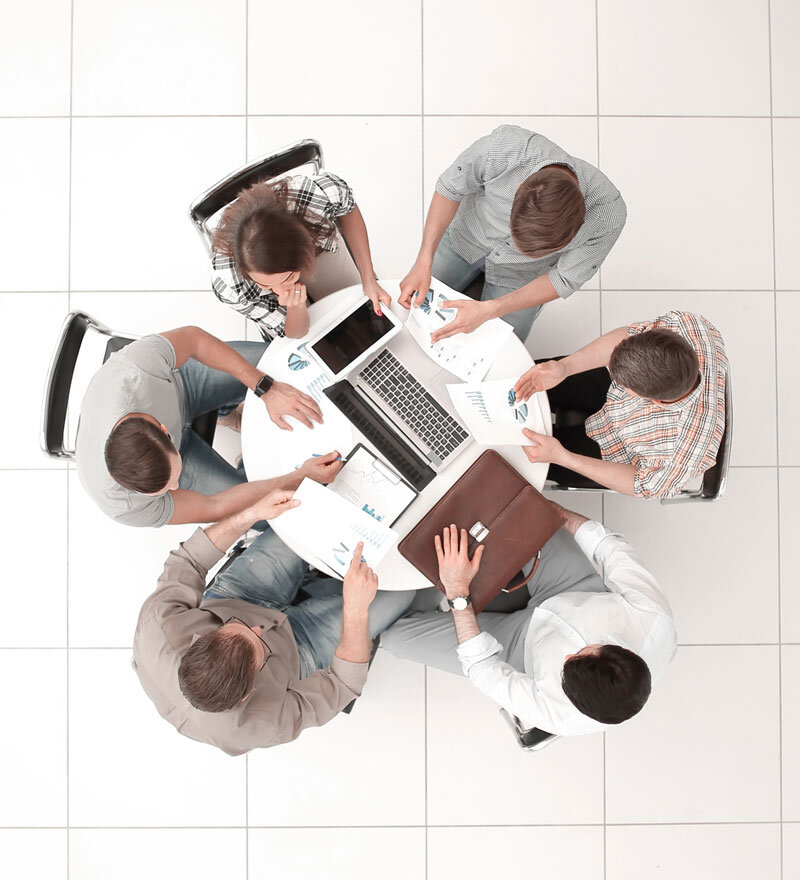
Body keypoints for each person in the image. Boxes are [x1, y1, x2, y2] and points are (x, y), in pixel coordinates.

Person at [133, 489, 415, 755]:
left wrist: (251, 513)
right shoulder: (258, 727)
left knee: (311, 509)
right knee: (403, 592)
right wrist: (355, 611)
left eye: (236, 627)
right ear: (247, 694)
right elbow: (343, 686)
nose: (260, 628)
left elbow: (190, 560)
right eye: (260, 648)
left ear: (200, 639)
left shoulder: (158, 626)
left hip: (238, 596)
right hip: (297, 653)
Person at [381, 502, 676, 736]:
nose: (571, 650)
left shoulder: (560, 717)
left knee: (394, 637)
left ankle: (430, 571)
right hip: (571, 588)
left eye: (568, 662)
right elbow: (609, 549)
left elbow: (484, 668)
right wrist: (557, 514)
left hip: (519, 648)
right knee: (522, 507)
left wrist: (458, 591)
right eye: (588, 648)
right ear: (622, 648)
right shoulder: (653, 620)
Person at [75, 325, 334, 527]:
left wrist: (266, 387)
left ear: (164, 430)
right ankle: (233, 430)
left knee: (280, 361)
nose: (175, 490)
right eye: (165, 490)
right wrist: (297, 477)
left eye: (171, 482)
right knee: (271, 514)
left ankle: (224, 413)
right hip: (176, 451)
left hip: (181, 387)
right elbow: (213, 507)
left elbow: (194, 339)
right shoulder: (122, 505)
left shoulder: (137, 370)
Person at [398, 125, 626, 341]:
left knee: (501, 348)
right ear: (519, 189)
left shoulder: (607, 214)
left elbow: (562, 278)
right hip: (465, 239)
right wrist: (423, 260)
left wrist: (491, 309)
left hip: (523, 275)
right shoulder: (504, 149)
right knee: (407, 313)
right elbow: (450, 188)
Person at [515, 310, 728, 498]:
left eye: (625, 385)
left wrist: (566, 459)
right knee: (522, 379)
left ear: (655, 401)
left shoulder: (679, 455)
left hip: (617, 449)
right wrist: (566, 367)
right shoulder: (688, 326)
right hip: (610, 392)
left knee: (519, 457)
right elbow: (628, 335)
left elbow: (641, 484)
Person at [210, 170, 392, 338]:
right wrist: (295, 307)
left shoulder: (316, 195)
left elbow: (347, 207)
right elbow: (295, 334)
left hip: (315, 246)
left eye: (287, 277)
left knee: (357, 303)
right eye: (265, 283)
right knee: (318, 337)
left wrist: (368, 279)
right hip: (283, 309)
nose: (282, 290)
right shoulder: (229, 286)